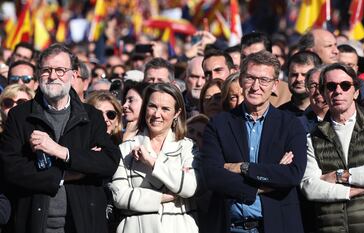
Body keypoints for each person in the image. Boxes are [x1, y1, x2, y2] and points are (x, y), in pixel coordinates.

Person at [0, 43, 121, 233]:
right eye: (47, 70)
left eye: (60, 70)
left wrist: (60, 151)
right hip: (34, 223)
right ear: (39, 74)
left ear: (74, 75)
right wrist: (63, 176)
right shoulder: (20, 116)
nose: (53, 75)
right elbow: (11, 168)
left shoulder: (92, 116)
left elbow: (108, 161)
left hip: (82, 224)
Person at [201, 51, 307, 233]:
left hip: (277, 225)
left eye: (264, 80)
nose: (255, 86)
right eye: (250, 78)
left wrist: (244, 168)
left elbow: (292, 174)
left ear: (275, 85)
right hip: (229, 226)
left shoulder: (290, 124)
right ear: (241, 80)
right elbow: (213, 175)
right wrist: (264, 184)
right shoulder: (219, 124)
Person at [300, 63, 364, 233]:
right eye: (331, 86)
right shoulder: (313, 137)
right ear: (324, 93)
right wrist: (352, 191)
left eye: (345, 86)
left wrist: (339, 176)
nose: (338, 91)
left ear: (356, 92)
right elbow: (309, 187)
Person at [110, 83, 198, 233]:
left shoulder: (187, 147)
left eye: (165, 109)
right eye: (152, 106)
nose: (157, 114)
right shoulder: (125, 149)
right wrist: (161, 197)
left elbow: (189, 188)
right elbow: (120, 196)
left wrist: (151, 161)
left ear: (177, 113)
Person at [279, 51, 322, 116]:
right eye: (294, 75)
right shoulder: (278, 115)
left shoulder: (329, 112)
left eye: (305, 75)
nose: (299, 79)